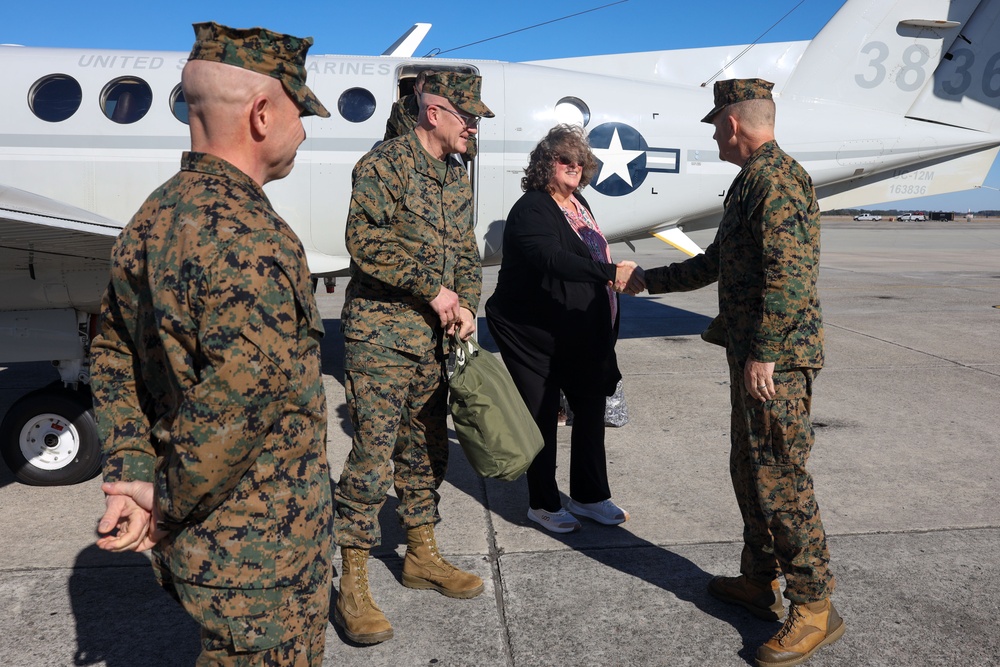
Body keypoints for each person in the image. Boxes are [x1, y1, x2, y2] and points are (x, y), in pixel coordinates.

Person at [90, 22, 334, 665]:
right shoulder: (251, 235)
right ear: (261, 114)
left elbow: (111, 350)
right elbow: (241, 402)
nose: (303, 130)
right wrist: (163, 502)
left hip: (208, 554)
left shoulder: (152, 217)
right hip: (262, 562)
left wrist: (131, 473)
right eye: (298, 112)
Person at [640, 78, 844, 667]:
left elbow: (791, 275)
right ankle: (759, 579)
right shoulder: (751, 181)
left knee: (781, 478)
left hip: (773, 360)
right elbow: (716, 263)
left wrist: (766, 353)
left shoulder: (775, 180)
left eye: (715, 126)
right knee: (750, 470)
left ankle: (814, 607)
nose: (714, 136)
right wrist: (648, 280)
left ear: (733, 124)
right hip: (757, 355)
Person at [334, 71, 493, 644]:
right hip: (382, 336)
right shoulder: (383, 166)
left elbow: (468, 254)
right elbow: (364, 239)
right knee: (373, 455)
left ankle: (421, 555)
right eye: (466, 116)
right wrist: (433, 288)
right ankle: (352, 578)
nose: (474, 126)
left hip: (436, 340)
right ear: (434, 113)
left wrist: (468, 304)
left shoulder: (456, 177)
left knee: (426, 450)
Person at [485, 124, 643, 535]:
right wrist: (612, 274)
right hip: (530, 330)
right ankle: (542, 502)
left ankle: (590, 496)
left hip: (575, 330)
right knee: (542, 413)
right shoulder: (532, 208)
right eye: (564, 160)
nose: (574, 167)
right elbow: (553, 259)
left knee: (589, 407)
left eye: (579, 161)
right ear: (546, 164)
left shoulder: (579, 203)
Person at [384, 69, 478, 160]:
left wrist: (450, 141)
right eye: (424, 96)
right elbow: (390, 139)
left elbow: (470, 153)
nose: (430, 101)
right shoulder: (402, 107)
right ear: (415, 90)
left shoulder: (448, 111)